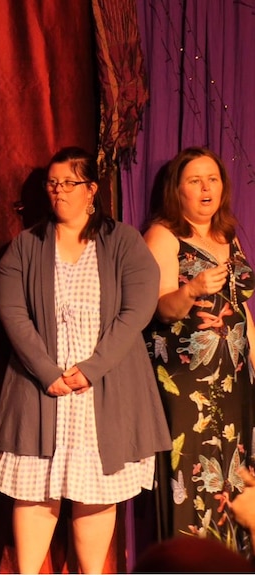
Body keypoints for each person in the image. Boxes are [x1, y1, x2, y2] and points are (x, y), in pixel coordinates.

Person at [0, 147, 171, 574]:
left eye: (68, 183)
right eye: (52, 183)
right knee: (34, 491)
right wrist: (48, 372)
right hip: (40, 389)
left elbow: (137, 309)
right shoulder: (25, 246)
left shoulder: (122, 241)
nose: (58, 192)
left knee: (94, 492)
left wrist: (92, 368)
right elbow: (12, 314)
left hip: (103, 389)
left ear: (91, 190)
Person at [143, 146, 255, 556]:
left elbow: (241, 310)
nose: (206, 188)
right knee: (191, 480)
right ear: (179, 189)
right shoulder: (163, 236)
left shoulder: (227, 234)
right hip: (189, 385)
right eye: (195, 180)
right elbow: (157, 307)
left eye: (213, 179)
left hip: (235, 384)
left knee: (236, 480)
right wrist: (191, 290)